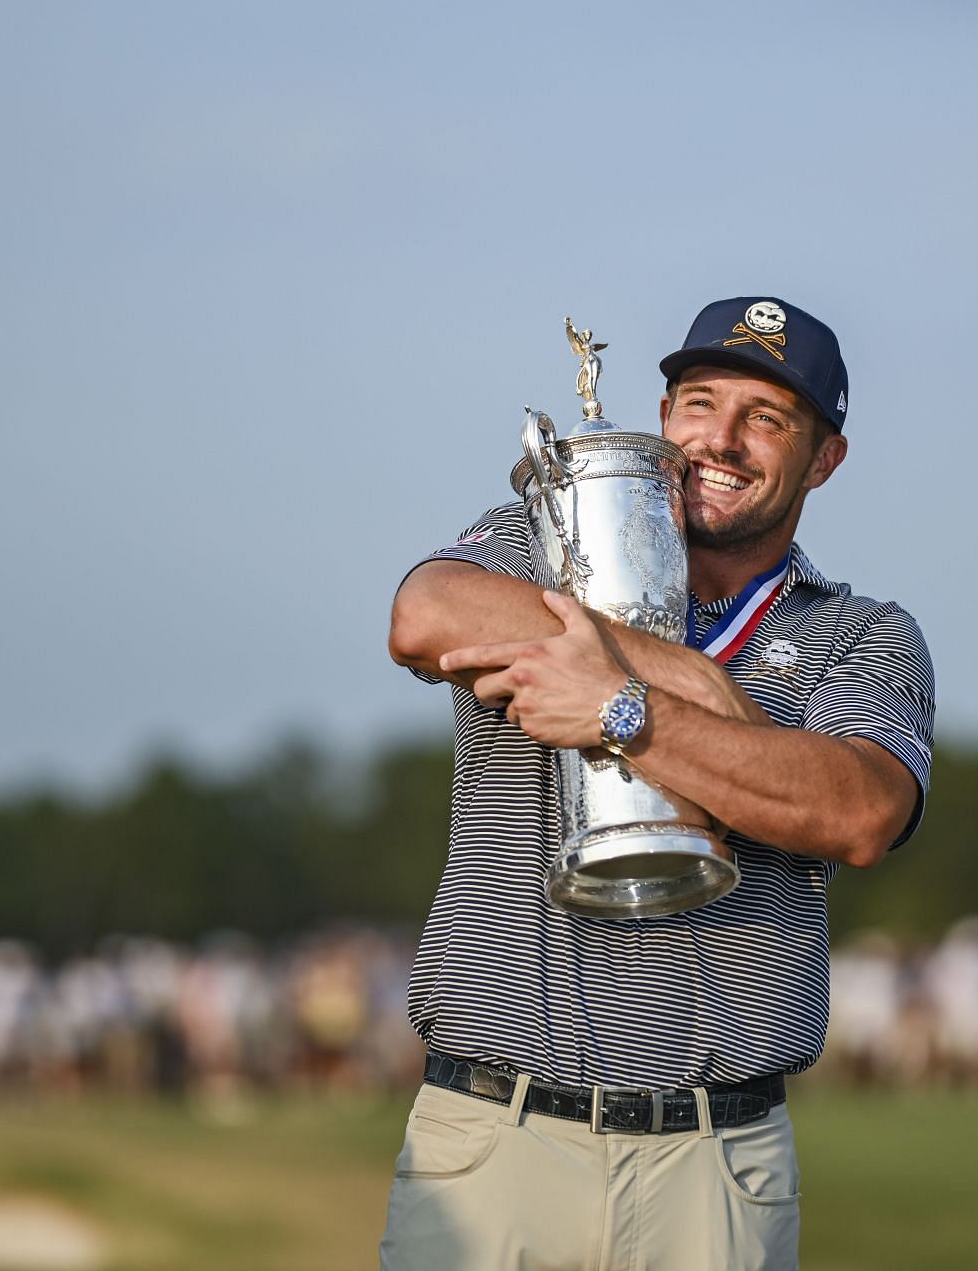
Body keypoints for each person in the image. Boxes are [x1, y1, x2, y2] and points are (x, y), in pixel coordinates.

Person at [380, 296, 935, 1269]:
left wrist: (621, 706)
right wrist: (696, 681)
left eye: (766, 419)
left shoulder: (863, 633)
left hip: (716, 1165)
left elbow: (857, 808)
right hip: (494, 1138)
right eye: (700, 402)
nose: (720, 439)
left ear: (824, 458)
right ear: (664, 413)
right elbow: (424, 613)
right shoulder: (542, 538)